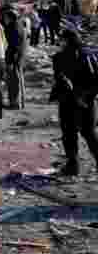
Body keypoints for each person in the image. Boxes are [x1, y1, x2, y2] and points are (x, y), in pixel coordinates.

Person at [50, 29, 98, 177]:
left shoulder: (60, 57)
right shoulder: (90, 55)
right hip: (88, 101)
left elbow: (60, 81)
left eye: (61, 39)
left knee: (69, 134)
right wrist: (87, 96)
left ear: (66, 40)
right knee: (89, 134)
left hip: (69, 102)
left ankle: (73, 166)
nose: (60, 42)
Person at [2, 7, 27, 111]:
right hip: (19, 56)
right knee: (18, 79)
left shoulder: (13, 27)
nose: (4, 19)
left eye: (5, 17)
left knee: (14, 81)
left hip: (14, 57)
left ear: (10, 18)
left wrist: (11, 60)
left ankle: (15, 103)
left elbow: (14, 45)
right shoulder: (20, 25)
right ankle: (19, 102)